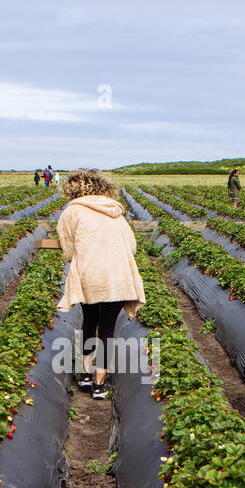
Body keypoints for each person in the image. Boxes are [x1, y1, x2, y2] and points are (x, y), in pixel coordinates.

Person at [55, 169, 147, 400]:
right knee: (107, 329)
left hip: (90, 276)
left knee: (89, 321)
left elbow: (68, 249)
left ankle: (85, 374)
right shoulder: (115, 211)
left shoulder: (73, 211)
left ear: (73, 188)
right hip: (117, 277)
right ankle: (99, 384)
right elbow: (132, 246)